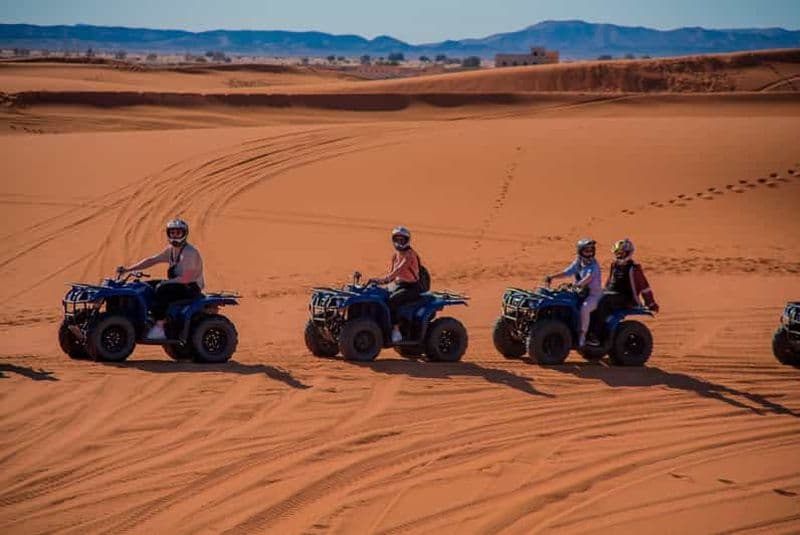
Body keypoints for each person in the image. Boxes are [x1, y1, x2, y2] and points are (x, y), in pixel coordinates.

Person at [117, 218, 204, 340]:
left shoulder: (189, 252)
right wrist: (128, 269)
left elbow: (187, 278)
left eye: (178, 232)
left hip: (190, 287)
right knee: (147, 286)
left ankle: (160, 327)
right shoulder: (171, 250)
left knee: (161, 290)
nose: (175, 235)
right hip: (179, 283)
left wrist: (166, 282)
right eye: (172, 232)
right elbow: (152, 260)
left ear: (184, 233)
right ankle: (147, 317)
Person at [543, 238, 603, 348]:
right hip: (579, 293)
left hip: (593, 295)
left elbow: (588, 278)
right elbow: (567, 272)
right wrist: (552, 277)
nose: (589, 253)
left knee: (584, 308)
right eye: (586, 251)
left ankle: (583, 337)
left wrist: (578, 284)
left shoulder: (593, 265)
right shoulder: (579, 262)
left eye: (591, 250)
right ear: (580, 251)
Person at [369, 226, 422, 343]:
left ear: (407, 240)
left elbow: (396, 271)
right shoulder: (395, 255)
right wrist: (378, 282)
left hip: (412, 287)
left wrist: (380, 280)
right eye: (397, 239)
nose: (399, 242)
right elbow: (391, 275)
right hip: (398, 285)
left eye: (401, 240)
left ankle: (396, 331)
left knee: (392, 301)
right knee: (379, 296)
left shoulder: (409, 255)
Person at [598, 238, 659, 316]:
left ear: (628, 253)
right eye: (617, 253)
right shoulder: (614, 265)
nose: (619, 256)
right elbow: (609, 280)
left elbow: (645, 287)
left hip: (626, 298)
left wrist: (651, 303)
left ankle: (599, 327)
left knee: (604, 300)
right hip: (611, 293)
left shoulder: (634, 269)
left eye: (621, 253)